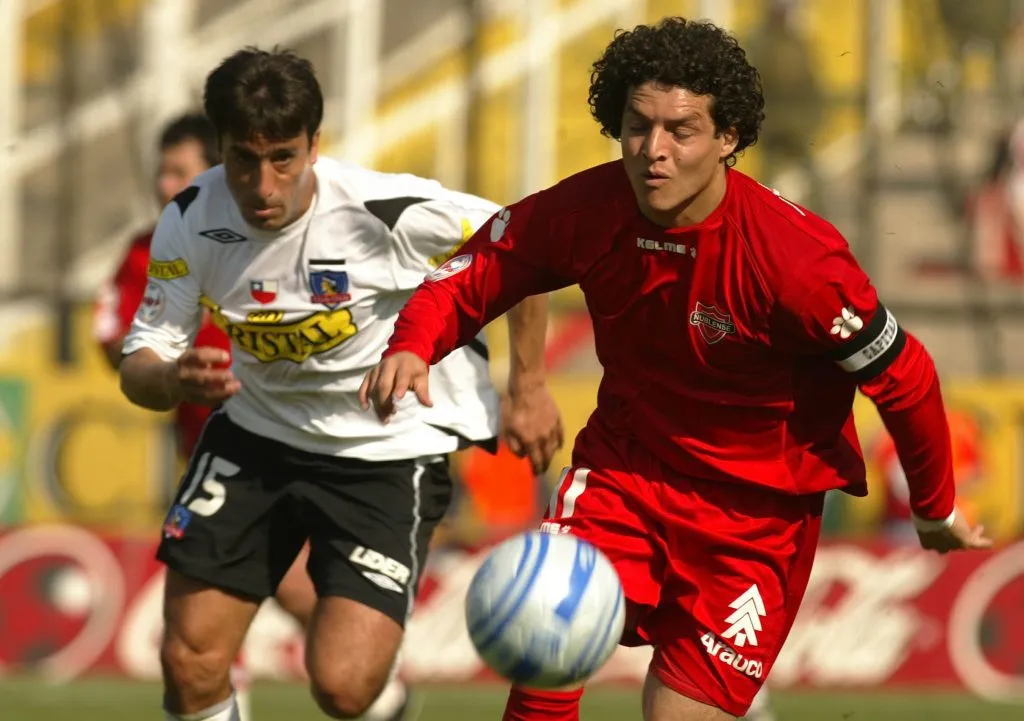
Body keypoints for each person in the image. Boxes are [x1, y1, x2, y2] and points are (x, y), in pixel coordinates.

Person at [360, 17, 992, 721]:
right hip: (625, 475)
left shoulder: (798, 263)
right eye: (637, 126)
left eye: (681, 130)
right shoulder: (589, 208)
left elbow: (905, 375)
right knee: (545, 648)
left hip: (756, 520)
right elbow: (483, 266)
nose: (653, 150)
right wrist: (413, 343)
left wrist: (934, 506)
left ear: (728, 139)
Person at [118, 47, 561, 721]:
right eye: (243, 160)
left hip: (385, 453)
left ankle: (388, 702)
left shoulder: (380, 211)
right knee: (189, 659)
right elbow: (141, 364)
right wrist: (171, 377)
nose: (264, 185)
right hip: (256, 436)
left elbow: (520, 244)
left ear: (315, 145)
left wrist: (527, 388)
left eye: (284, 158)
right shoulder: (190, 218)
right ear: (220, 149)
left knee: (344, 686)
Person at [92, 112, 322, 721]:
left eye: (180, 171)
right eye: (161, 170)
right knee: (206, 621)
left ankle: (382, 689)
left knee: (301, 601)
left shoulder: (277, 236)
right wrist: (164, 364)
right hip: (210, 454)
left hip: (293, 443)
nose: (165, 184)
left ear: (217, 174)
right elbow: (114, 339)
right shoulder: (147, 250)